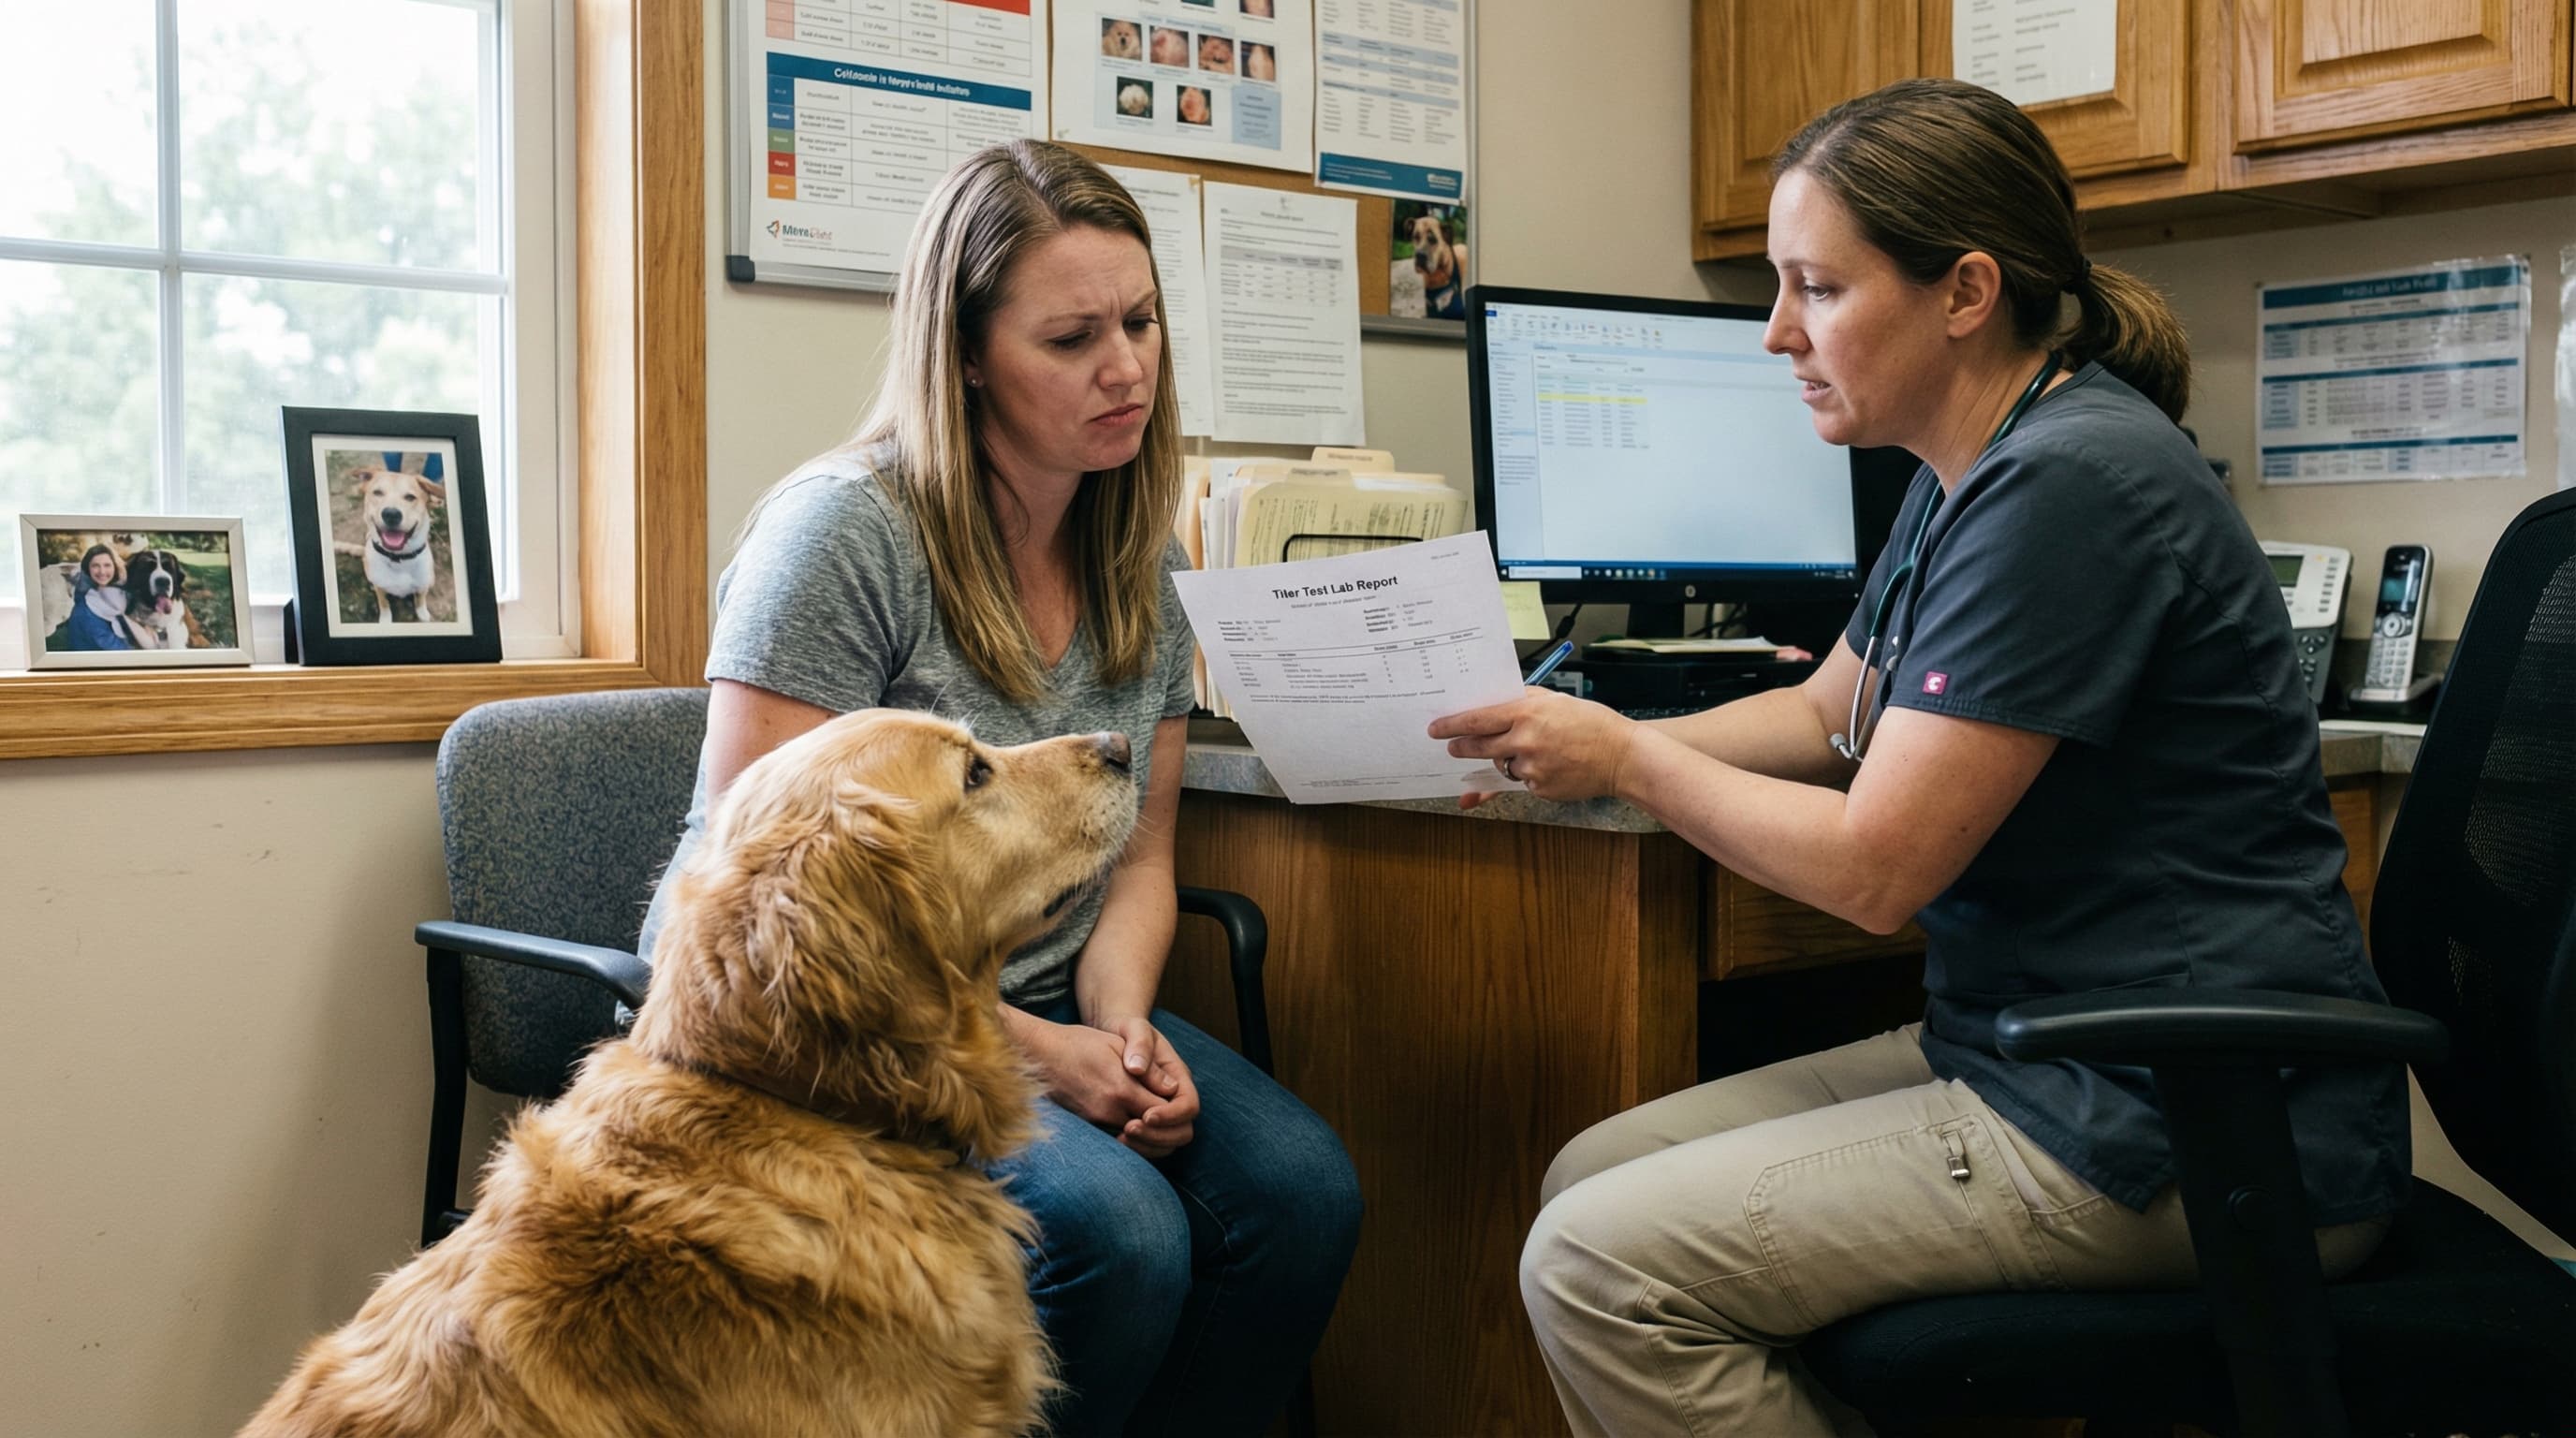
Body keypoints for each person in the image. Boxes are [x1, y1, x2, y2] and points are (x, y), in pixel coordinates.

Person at [1429, 78, 2406, 1435]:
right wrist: (1591, 740)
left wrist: (1636, 764)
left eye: (1816, 288)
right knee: (1598, 1168)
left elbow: (1875, 870)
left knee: (1599, 1266)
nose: (1778, 334)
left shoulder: (2071, 484)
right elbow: (1834, 712)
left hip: (2183, 1115)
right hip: (2042, 1050)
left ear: (1965, 292)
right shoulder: (1971, 467)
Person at [637, 139, 1360, 1437]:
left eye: (1139, 321)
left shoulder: (1137, 545)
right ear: (966, 353)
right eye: (1073, 336)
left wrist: (1126, 1030)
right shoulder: (844, 536)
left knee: (1305, 1196)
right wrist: (1052, 1064)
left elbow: (1138, 851)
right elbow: (734, 907)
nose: (1126, 366)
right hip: (850, 1024)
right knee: (1123, 1237)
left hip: (1050, 1011)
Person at [63, 544, 136, 651]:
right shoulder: (86, 610)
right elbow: (116, 649)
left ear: (115, 567)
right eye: (95, 566)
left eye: (107, 565)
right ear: (88, 568)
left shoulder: (115, 593)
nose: (102, 571)